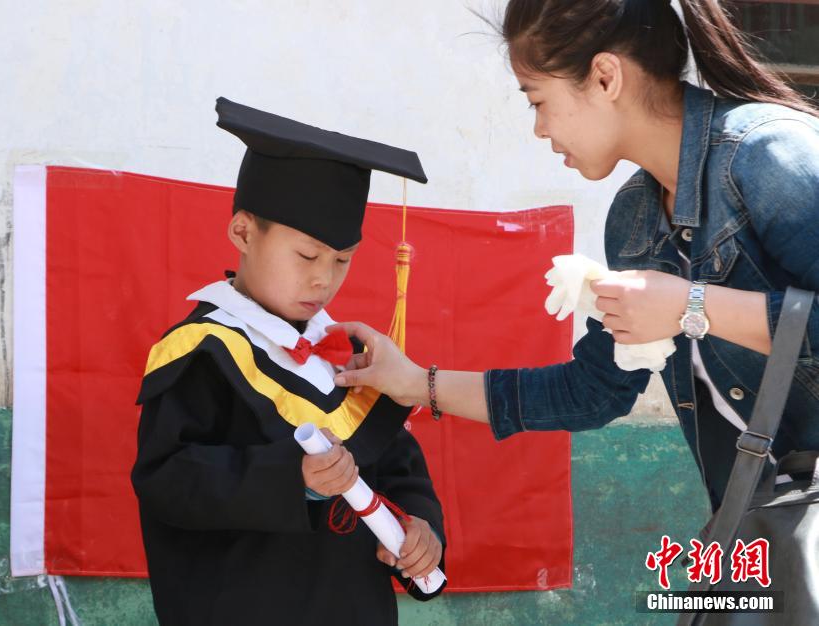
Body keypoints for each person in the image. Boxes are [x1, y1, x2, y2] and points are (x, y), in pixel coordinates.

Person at [331, 0, 819, 520]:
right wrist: (414, 383)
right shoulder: (633, 222)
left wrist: (690, 305)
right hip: (763, 526)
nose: (539, 129)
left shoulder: (768, 153)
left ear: (606, 77)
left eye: (537, 100)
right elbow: (594, 391)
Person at [131, 97, 446, 626]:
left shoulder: (346, 360)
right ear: (244, 233)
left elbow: (400, 467)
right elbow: (168, 481)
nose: (324, 279)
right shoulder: (201, 350)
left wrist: (421, 529)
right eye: (306, 256)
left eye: (341, 260)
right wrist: (291, 478)